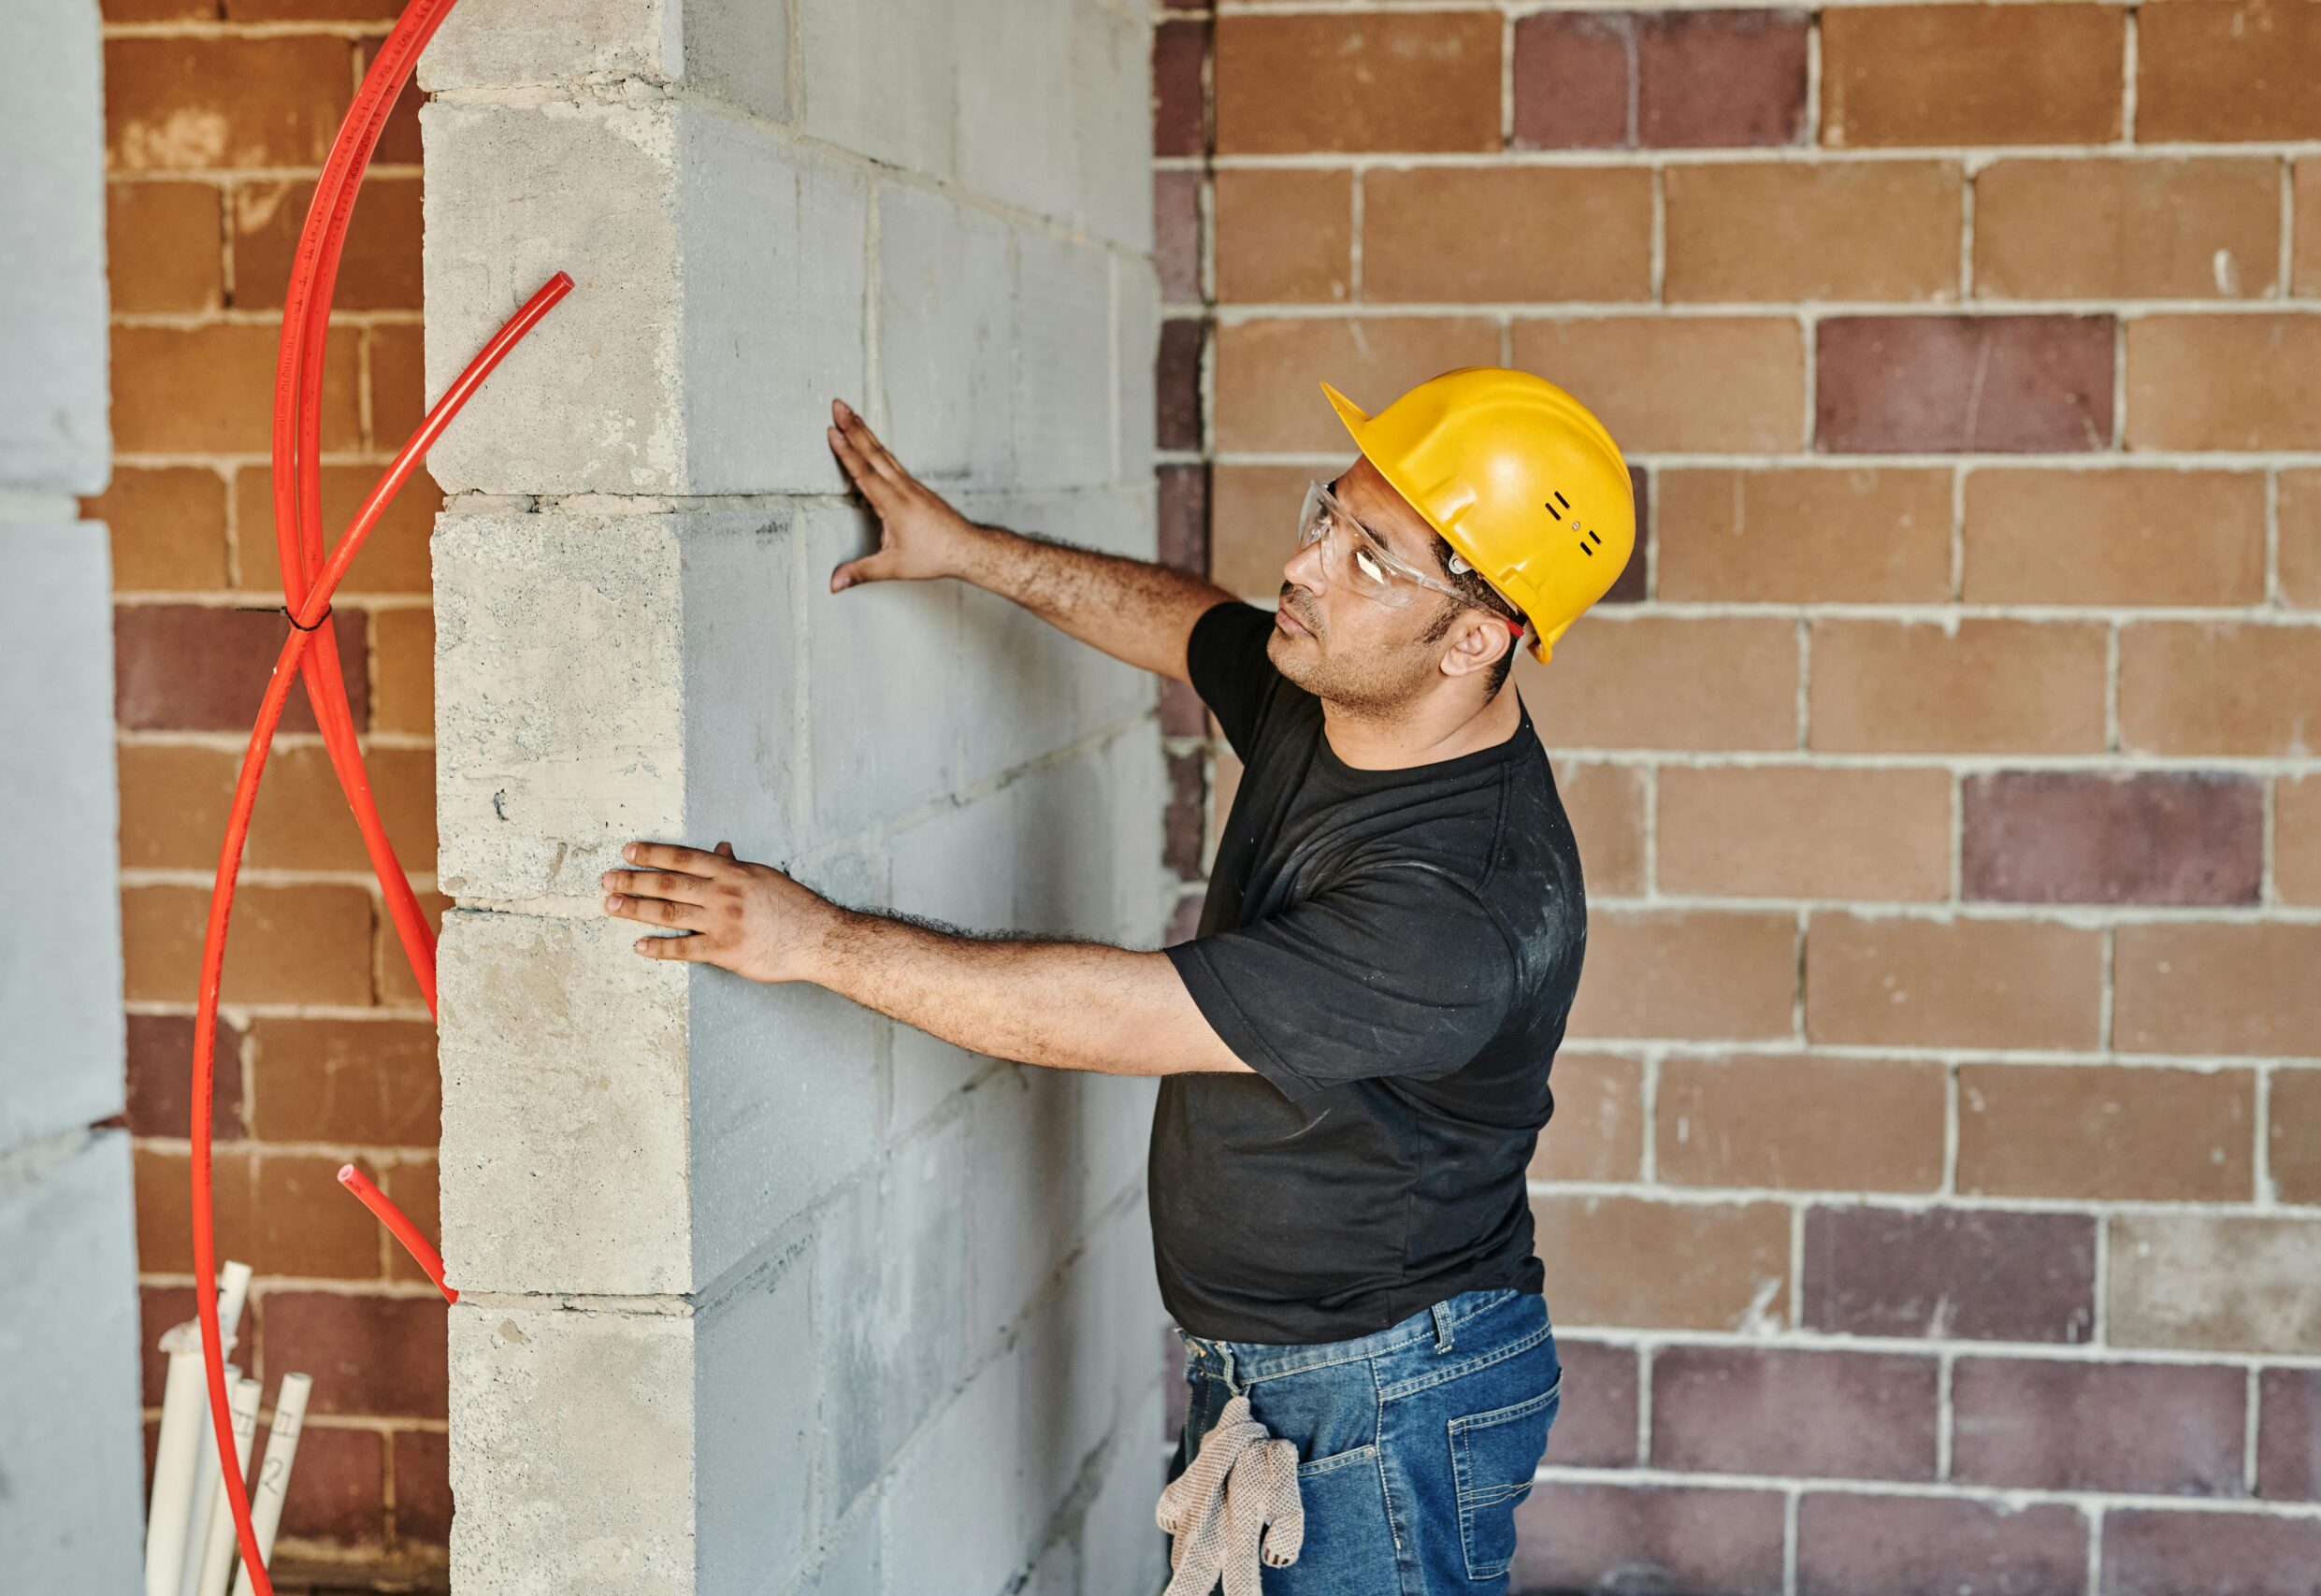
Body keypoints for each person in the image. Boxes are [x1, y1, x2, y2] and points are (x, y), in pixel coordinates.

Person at [598, 367, 1636, 1593]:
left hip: (1383, 1399)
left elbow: (1111, 1014)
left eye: (1369, 559)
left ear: (1477, 637)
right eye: (1328, 515)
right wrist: (971, 551)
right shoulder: (1348, 691)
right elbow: (1190, 627)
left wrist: (811, 941)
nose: (1303, 566)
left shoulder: (1458, 911)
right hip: (1292, 1374)